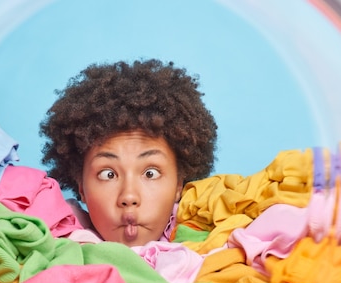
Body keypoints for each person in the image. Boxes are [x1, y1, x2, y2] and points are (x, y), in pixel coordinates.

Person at [40, 59, 218, 247]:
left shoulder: (220, 247)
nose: (129, 197)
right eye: (108, 174)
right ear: (81, 187)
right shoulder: (48, 245)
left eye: (151, 173)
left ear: (178, 185)